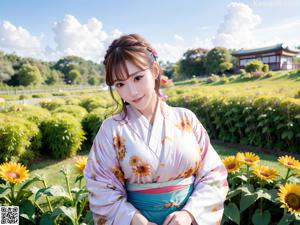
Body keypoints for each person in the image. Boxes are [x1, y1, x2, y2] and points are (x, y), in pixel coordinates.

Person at [84, 34, 229, 225]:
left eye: (137, 78)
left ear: (154, 71)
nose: (132, 91)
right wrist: (134, 220)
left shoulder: (186, 118)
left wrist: (189, 214)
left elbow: (213, 173)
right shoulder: (111, 130)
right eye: (120, 84)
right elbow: (101, 186)